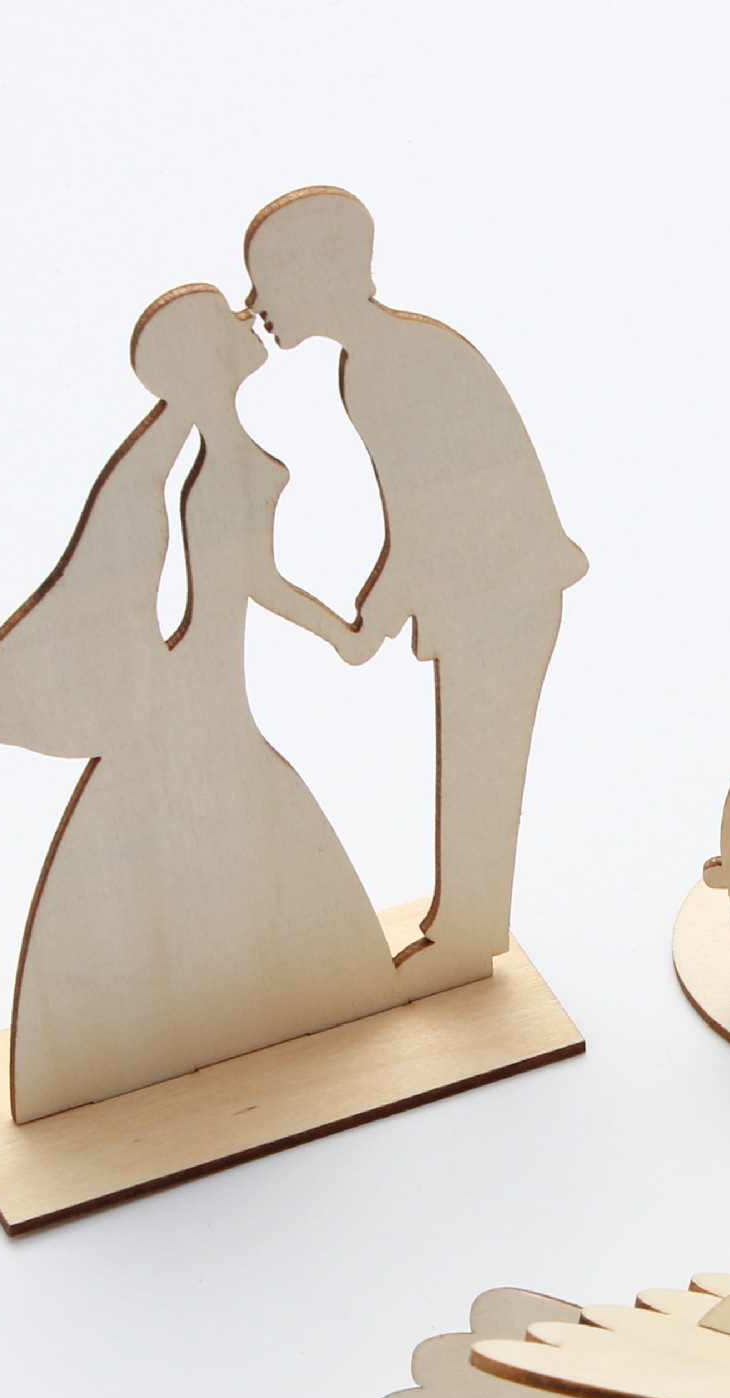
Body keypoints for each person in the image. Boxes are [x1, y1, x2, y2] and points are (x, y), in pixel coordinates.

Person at [0, 287, 400, 1120]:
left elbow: (243, 580)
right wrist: (344, 635)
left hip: (205, 687)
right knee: (232, 826)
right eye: (226, 316)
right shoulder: (210, 471)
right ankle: (139, 1037)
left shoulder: (203, 454)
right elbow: (251, 582)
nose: (246, 316)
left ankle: (176, 1018)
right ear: (199, 360)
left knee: (215, 834)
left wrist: (343, 633)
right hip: (204, 695)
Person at [244, 186, 588, 995]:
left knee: (481, 766)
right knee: (475, 763)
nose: (253, 303)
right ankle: (464, 925)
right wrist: (380, 613)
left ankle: (468, 935)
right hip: (486, 592)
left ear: (316, 274)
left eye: (266, 280)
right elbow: (427, 514)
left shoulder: (392, 366)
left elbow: (434, 512)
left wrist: (375, 619)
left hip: (503, 595)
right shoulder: (376, 362)